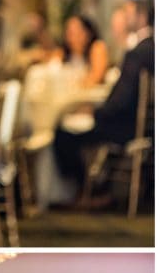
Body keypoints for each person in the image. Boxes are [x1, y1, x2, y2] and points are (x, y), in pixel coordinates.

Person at [52, 10, 154, 197]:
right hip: (140, 124)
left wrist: (95, 112)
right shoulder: (148, 48)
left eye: (127, 13)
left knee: (63, 134)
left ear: (141, 17)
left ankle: (88, 191)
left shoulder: (138, 53)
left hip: (124, 126)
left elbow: (122, 100)